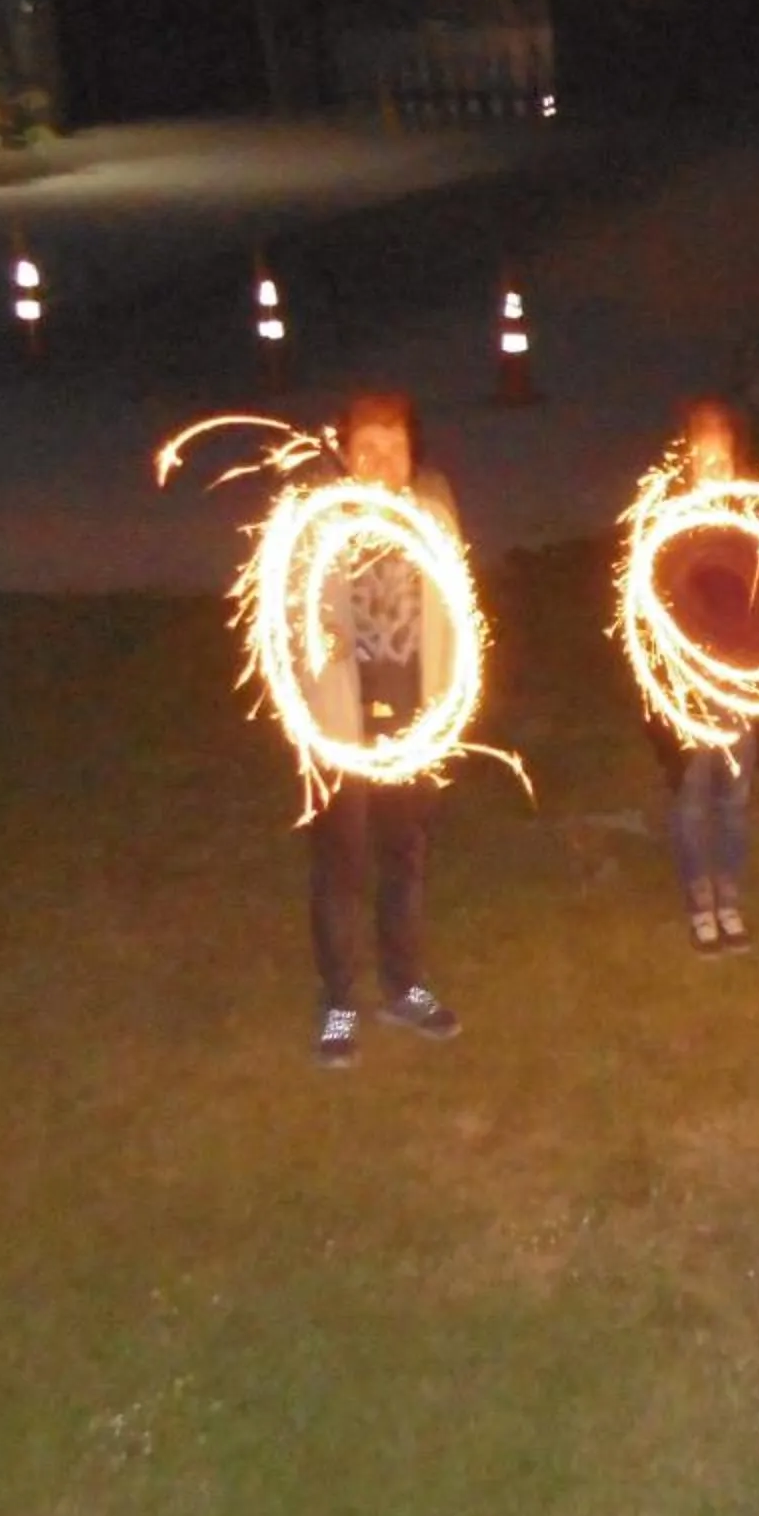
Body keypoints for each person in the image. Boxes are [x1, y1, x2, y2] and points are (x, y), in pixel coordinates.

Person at [304, 391, 464, 1064]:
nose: (378, 461)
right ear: (343, 452)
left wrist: (445, 710)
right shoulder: (314, 521)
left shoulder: (432, 511)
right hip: (338, 721)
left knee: (405, 856)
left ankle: (403, 985)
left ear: (410, 455)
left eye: (392, 448)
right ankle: (340, 1001)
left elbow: (454, 614)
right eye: (364, 447)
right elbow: (290, 619)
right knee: (340, 865)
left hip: (415, 718)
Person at [641, 397, 759, 954]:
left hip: (740, 687)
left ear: (736, 463)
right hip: (685, 689)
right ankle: (698, 898)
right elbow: (647, 612)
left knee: (733, 797)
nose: (712, 470)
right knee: (690, 797)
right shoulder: (666, 528)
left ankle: (729, 895)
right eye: (702, 459)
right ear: (686, 462)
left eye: (722, 460)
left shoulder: (754, 528)